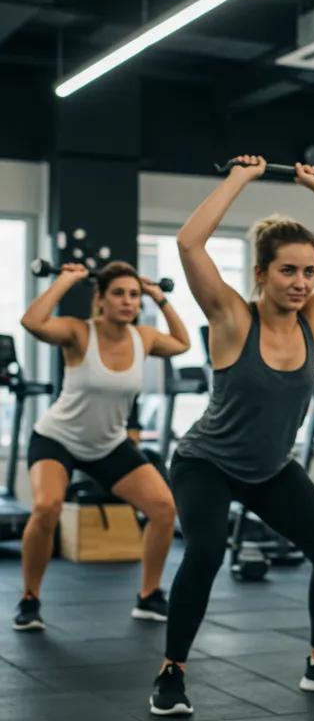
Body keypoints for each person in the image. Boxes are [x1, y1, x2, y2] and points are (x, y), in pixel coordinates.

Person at [148, 156, 314, 717]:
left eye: (309, 271)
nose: (301, 283)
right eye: (287, 271)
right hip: (207, 462)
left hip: (272, 468)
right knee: (205, 551)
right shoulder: (232, 317)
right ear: (261, 274)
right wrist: (239, 179)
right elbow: (188, 245)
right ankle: (171, 672)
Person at [15, 261, 189, 631]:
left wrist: (161, 300)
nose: (128, 301)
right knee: (47, 506)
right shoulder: (80, 334)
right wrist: (65, 281)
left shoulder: (143, 338)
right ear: (100, 299)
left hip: (109, 444)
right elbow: (32, 322)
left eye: (134, 295)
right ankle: (30, 599)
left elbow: (182, 343)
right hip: (57, 438)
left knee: (163, 508)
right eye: (119, 294)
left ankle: (149, 595)